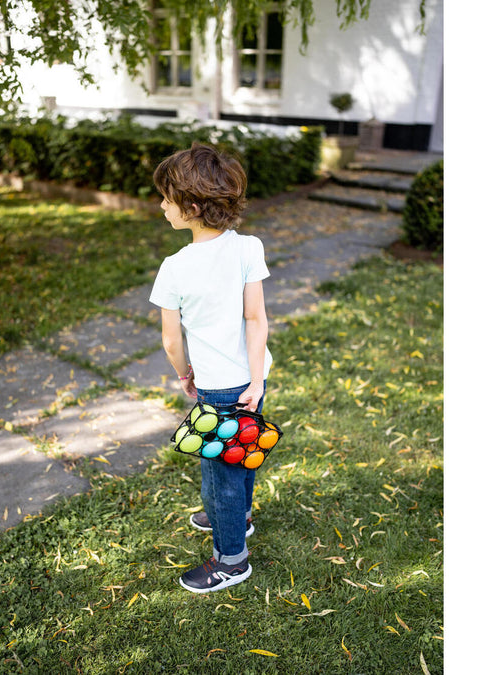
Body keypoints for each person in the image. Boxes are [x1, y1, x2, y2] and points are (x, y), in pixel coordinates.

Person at [149, 142, 273, 593]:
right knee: (242, 453)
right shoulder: (249, 247)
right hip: (251, 379)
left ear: (192, 206)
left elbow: (170, 340)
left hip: (218, 390)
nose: (162, 206)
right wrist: (257, 380)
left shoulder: (174, 268)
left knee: (220, 472)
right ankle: (237, 518)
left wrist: (185, 374)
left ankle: (232, 560)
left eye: (166, 198)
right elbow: (256, 318)